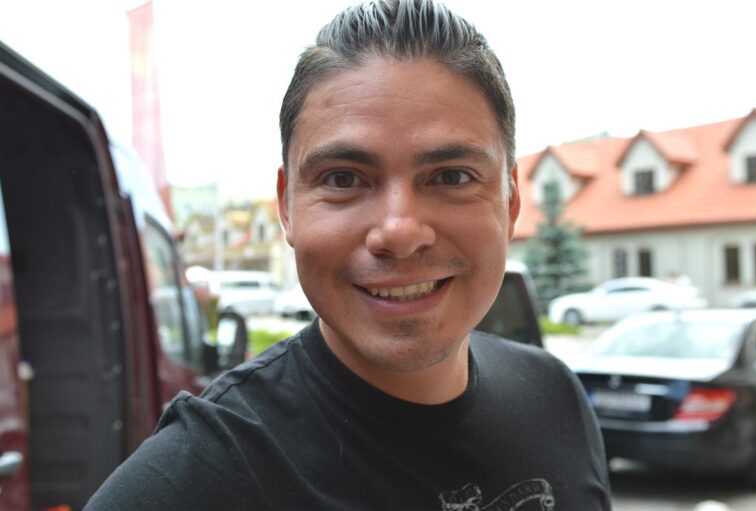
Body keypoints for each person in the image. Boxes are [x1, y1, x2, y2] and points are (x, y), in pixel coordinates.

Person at [86, 1, 611, 509]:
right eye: (343, 179)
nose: (399, 232)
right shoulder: (191, 482)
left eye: (452, 176)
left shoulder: (555, 399)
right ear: (287, 208)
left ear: (511, 200)